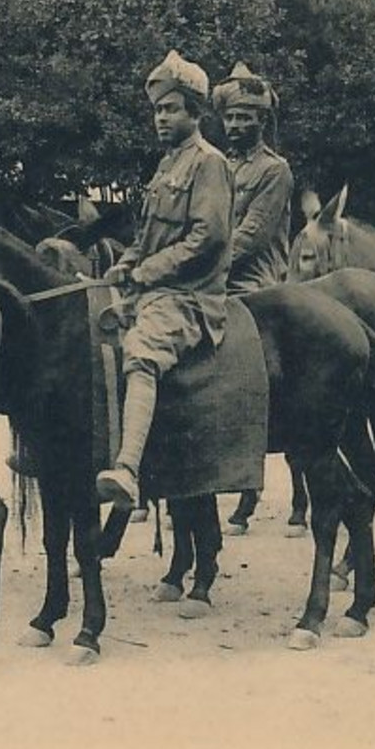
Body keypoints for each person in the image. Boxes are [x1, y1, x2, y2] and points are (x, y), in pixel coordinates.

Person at [96, 50, 234, 509]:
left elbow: (207, 237)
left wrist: (147, 271)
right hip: (153, 290)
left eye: (171, 108)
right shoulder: (166, 166)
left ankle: (129, 470)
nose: (160, 117)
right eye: (157, 109)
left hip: (190, 297)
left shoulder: (208, 163)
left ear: (195, 113)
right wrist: (126, 262)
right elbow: (148, 235)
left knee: (141, 354)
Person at [212, 62, 295, 293]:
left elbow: (252, 237)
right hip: (214, 279)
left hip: (253, 283)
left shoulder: (275, 170)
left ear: (263, 121)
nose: (234, 125)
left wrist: (200, 265)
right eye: (229, 118)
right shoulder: (219, 165)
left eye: (243, 118)